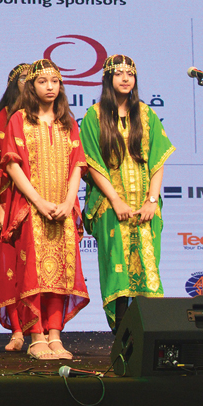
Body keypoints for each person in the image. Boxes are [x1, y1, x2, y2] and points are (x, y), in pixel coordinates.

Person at [1, 59, 89, 361]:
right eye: (43, 82)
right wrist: (37, 201)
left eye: (55, 81)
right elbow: (12, 165)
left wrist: (68, 202)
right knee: (33, 274)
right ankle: (36, 335)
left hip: (63, 209)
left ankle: (55, 335)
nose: (50, 87)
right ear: (31, 86)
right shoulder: (19, 120)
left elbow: (78, 165)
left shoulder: (68, 122)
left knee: (61, 273)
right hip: (31, 208)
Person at [80, 55, 174, 331]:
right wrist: (116, 200)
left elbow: (158, 161)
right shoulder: (94, 116)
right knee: (118, 274)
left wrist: (151, 201)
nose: (125, 78)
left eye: (130, 74)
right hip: (111, 208)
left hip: (146, 207)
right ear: (108, 78)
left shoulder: (146, 114)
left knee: (147, 271)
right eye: (118, 73)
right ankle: (121, 339)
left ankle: (149, 338)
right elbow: (93, 163)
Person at [0, 63, 31, 351]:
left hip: (39, 201)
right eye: (24, 79)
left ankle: (43, 331)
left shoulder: (46, 117)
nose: (29, 83)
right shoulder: (4, 118)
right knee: (11, 266)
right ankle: (17, 330)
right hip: (8, 199)